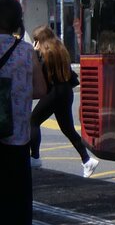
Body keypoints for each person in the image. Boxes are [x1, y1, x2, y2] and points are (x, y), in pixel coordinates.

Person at [0, 0, 47, 225]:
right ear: (18, 22)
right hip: (16, 136)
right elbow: (41, 90)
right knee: (9, 194)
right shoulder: (26, 51)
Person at [28, 27, 99, 177]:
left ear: (41, 40)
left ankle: (35, 157)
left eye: (36, 41)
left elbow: (39, 73)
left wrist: (34, 54)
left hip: (53, 92)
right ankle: (87, 160)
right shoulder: (60, 49)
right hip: (66, 92)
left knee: (33, 121)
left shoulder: (46, 54)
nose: (35, 44)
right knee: (68, 129)